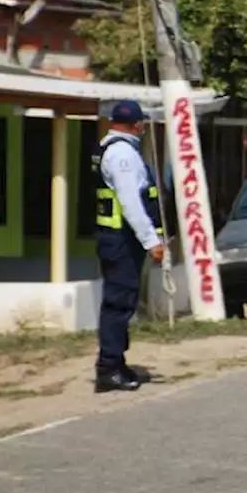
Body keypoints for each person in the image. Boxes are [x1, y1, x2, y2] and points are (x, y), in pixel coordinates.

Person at [92, 99, 166, 393]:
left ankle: (116, 362)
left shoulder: (110, 148)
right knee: (118, 303)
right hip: (121, 241)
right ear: (137, 124)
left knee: (122, 301)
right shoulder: (123, 154)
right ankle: (108, 368)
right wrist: (152, 241)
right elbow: (131, 203)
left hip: (117, 240)